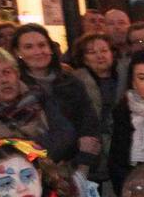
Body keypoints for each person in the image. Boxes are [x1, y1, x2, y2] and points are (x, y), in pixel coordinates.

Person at [0, 47, 79, 163]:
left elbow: (65, 137)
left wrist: (12, 146)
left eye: (7, 72)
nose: (4, 80)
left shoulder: (40, 97)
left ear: (17, 74)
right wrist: (38, 147)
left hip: (53, 176)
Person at [10, 24, 101, 168]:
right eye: (29, 47)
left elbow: (88, 120)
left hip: (76, 163)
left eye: (42, 45)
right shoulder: (14, 87)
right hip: (33, 164)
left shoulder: (70, 81)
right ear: (17, 52)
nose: (38, 51)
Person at [68, 32, 120, 168]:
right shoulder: (74, 83)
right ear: (83, 58)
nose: (100, 56)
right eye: (91, 52)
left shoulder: (125, 77)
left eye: (104, 50)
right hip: (92, 148)